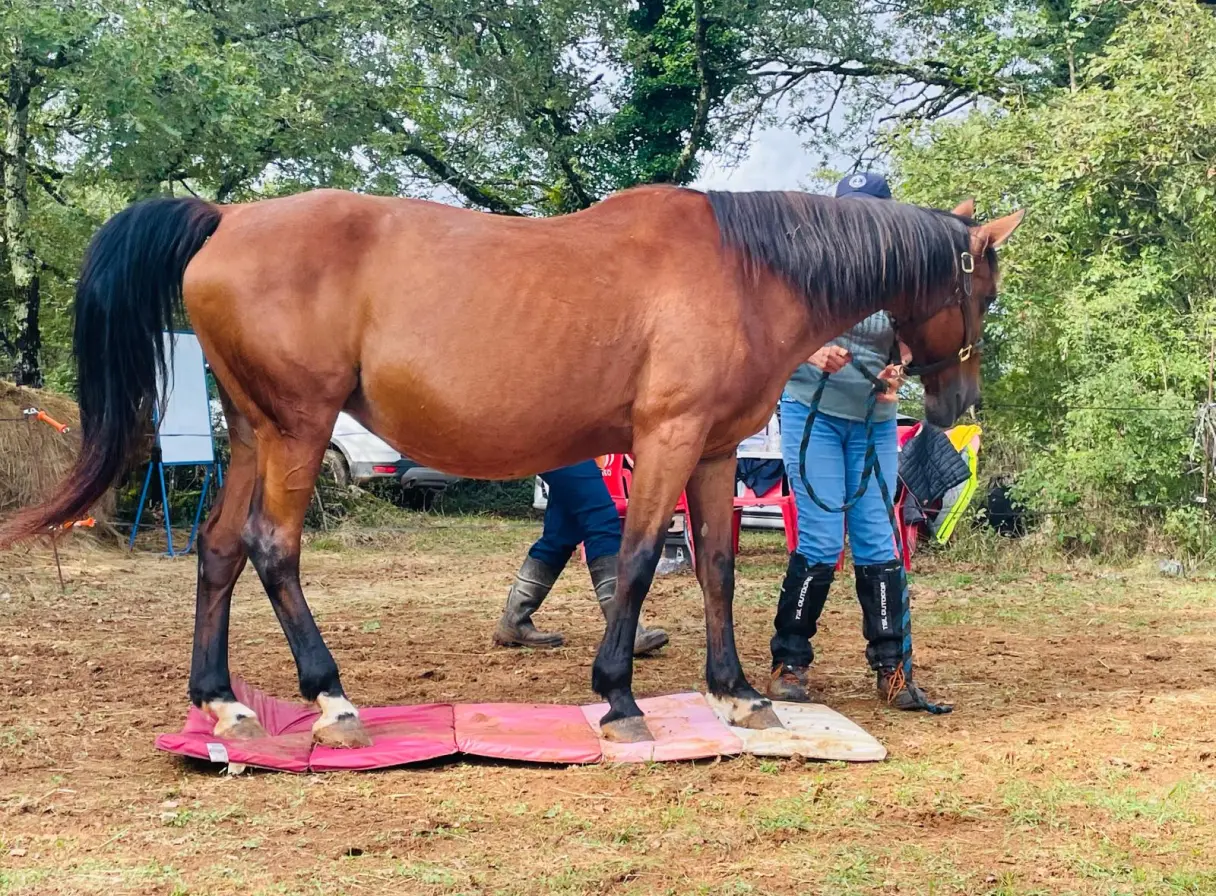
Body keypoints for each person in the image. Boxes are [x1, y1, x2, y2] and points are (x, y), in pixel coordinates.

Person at [767, 171, 949, 713]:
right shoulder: (808, 269)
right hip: (812, 411)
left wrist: (904, 366)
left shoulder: (902, 279)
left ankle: (894, 671)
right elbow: (769, 331)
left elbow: (919, 341)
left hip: (874, 417)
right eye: (848, 210)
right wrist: (807, 352)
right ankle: (789, 662)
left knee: (877, 538)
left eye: (867, 210)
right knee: (821, 539)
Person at [493, 459, 669, 654]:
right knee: (602, 519)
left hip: (564, 444)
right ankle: (624, 630)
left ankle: (514, 619)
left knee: (561, 534)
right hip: (560, 443)